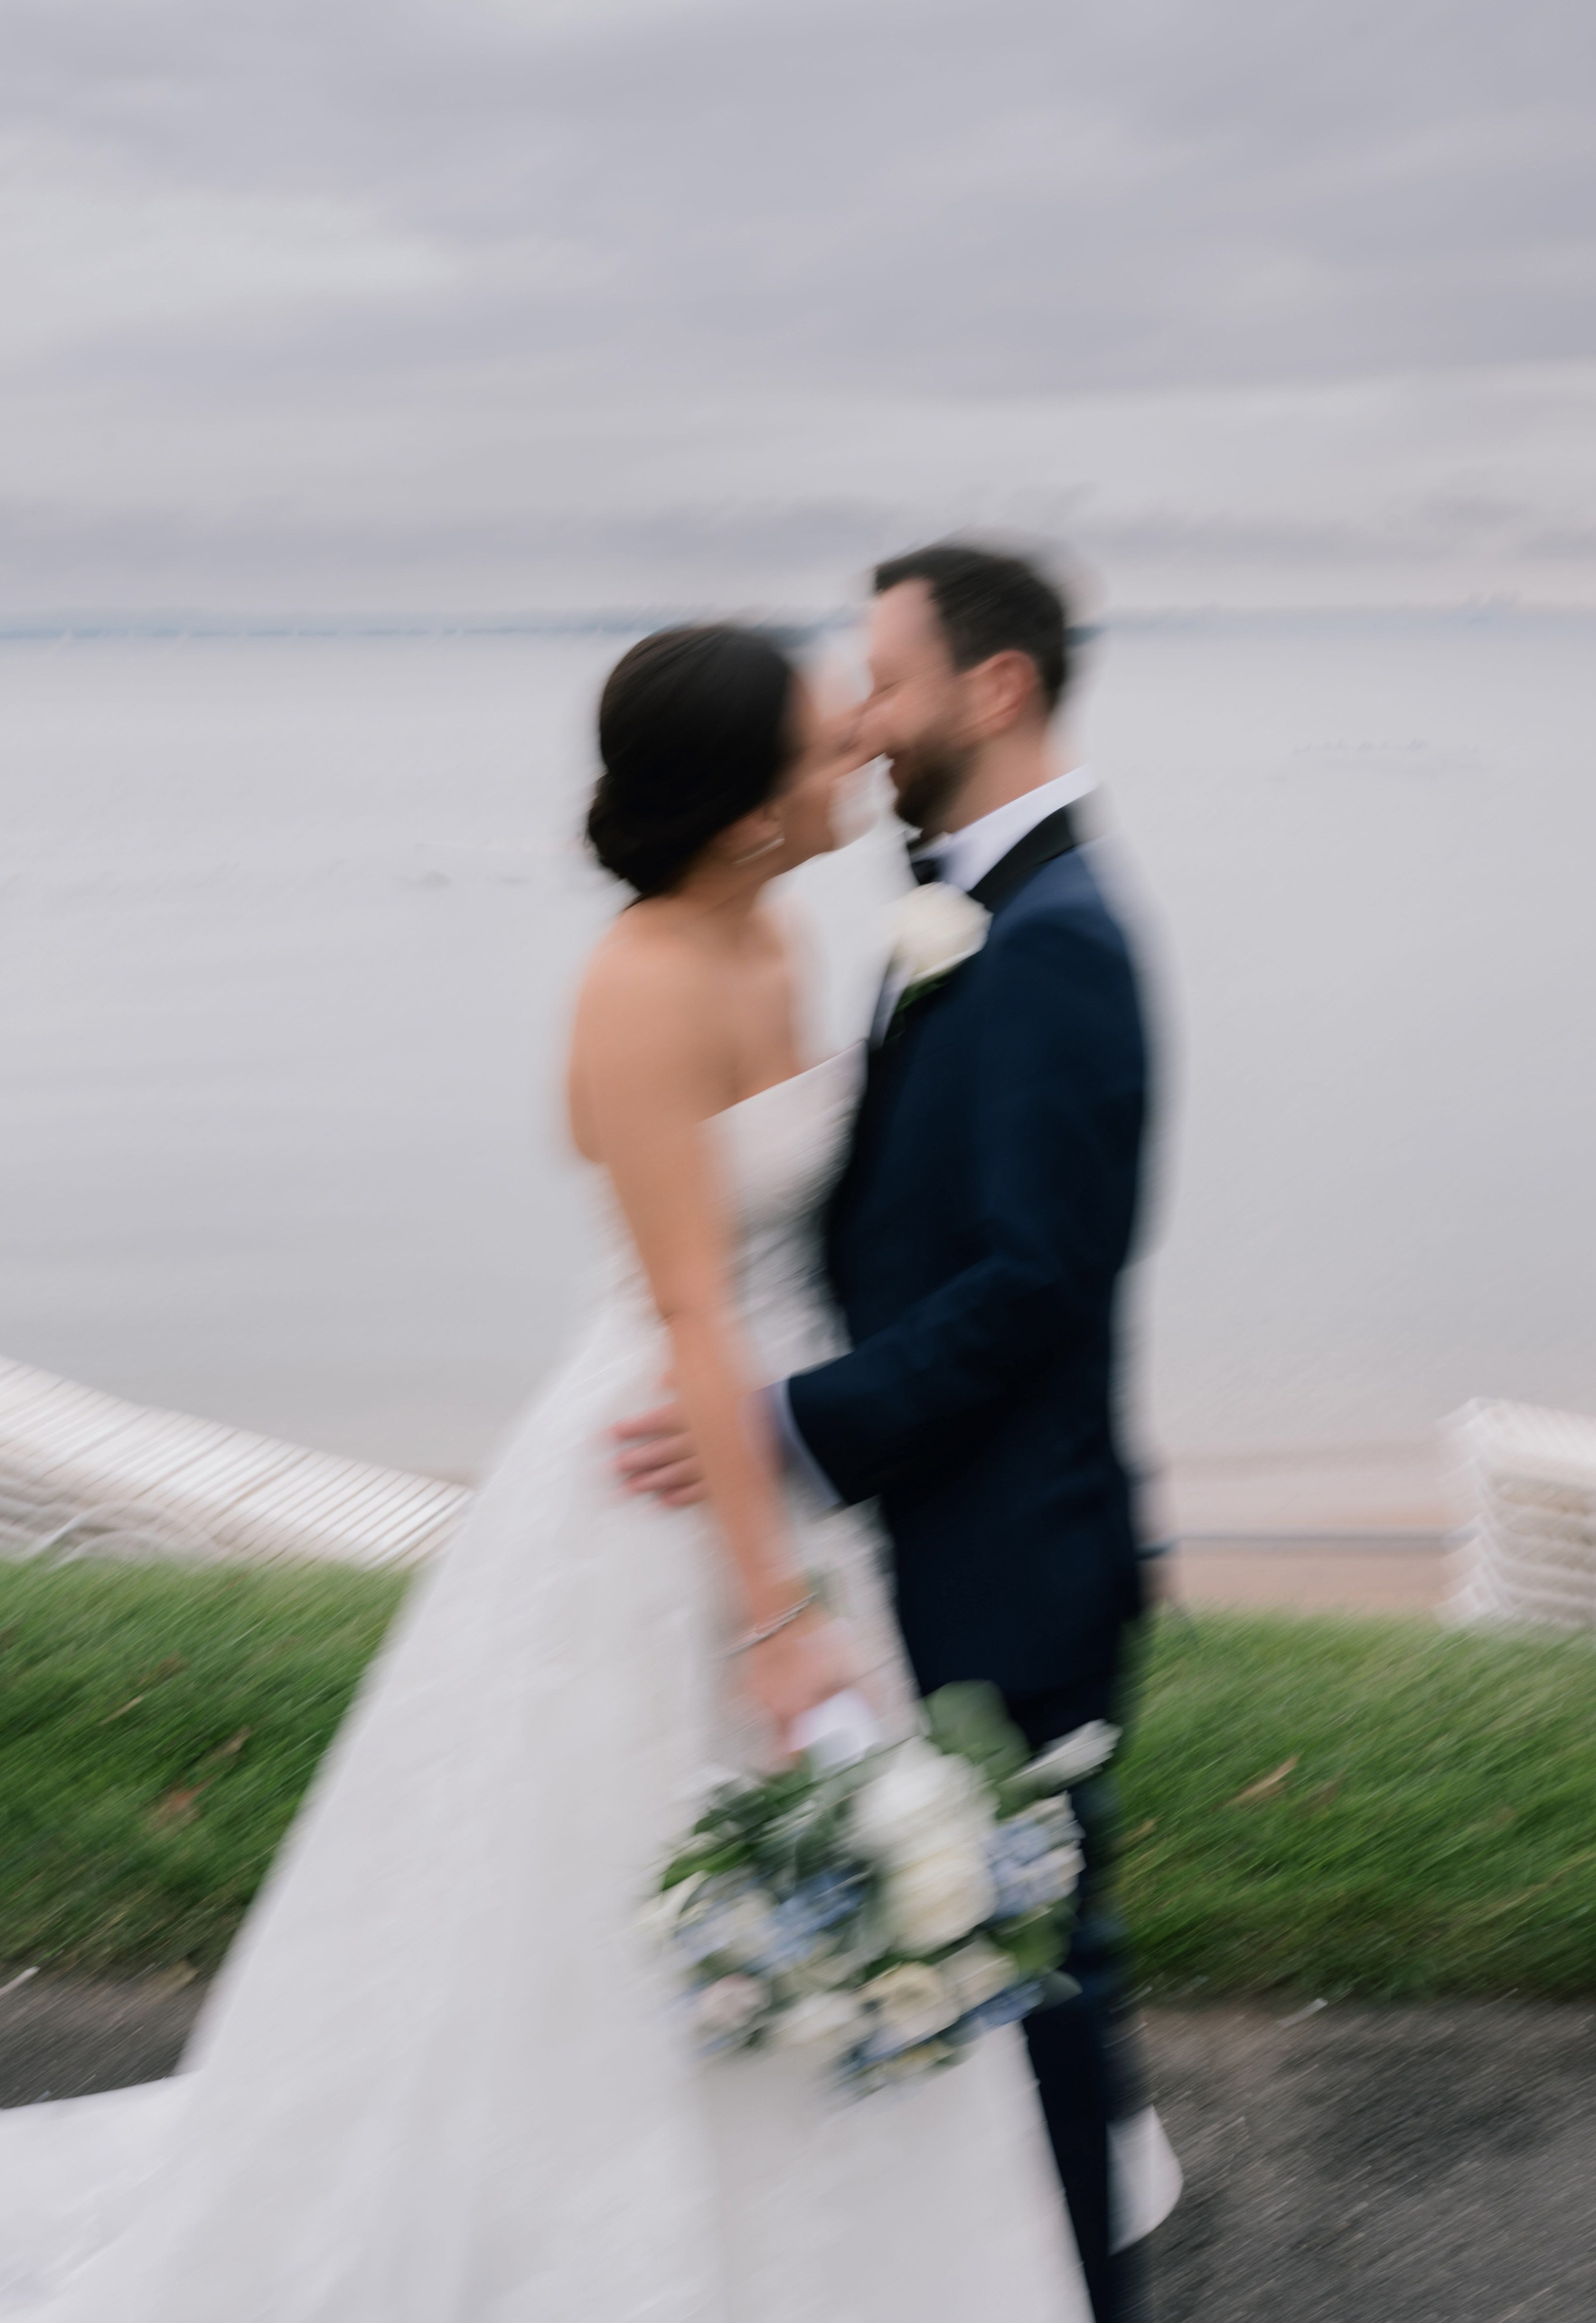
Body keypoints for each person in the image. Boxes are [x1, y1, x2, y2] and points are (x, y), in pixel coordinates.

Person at [0, 622, 1093, 2321]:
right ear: (746, 813)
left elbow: (809, 1244)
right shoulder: (642, 983)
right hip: (674, 1463)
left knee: (808, 1861)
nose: (855, 763)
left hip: (788, 1428)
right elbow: (688, 1314)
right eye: (820, 749)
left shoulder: (782, 931)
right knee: (623, 1875)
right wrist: (773, 1614)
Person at [615, 548, 1168, 2322]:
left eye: (888, 680)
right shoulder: (964, 910)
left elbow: (1030, 1290)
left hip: (1020, 1546)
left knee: (1044, 1966)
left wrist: (785, 1419)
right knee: (965, 1945)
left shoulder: (1061, 942)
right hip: (930, 1523)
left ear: (994, 692)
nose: (860, 718)